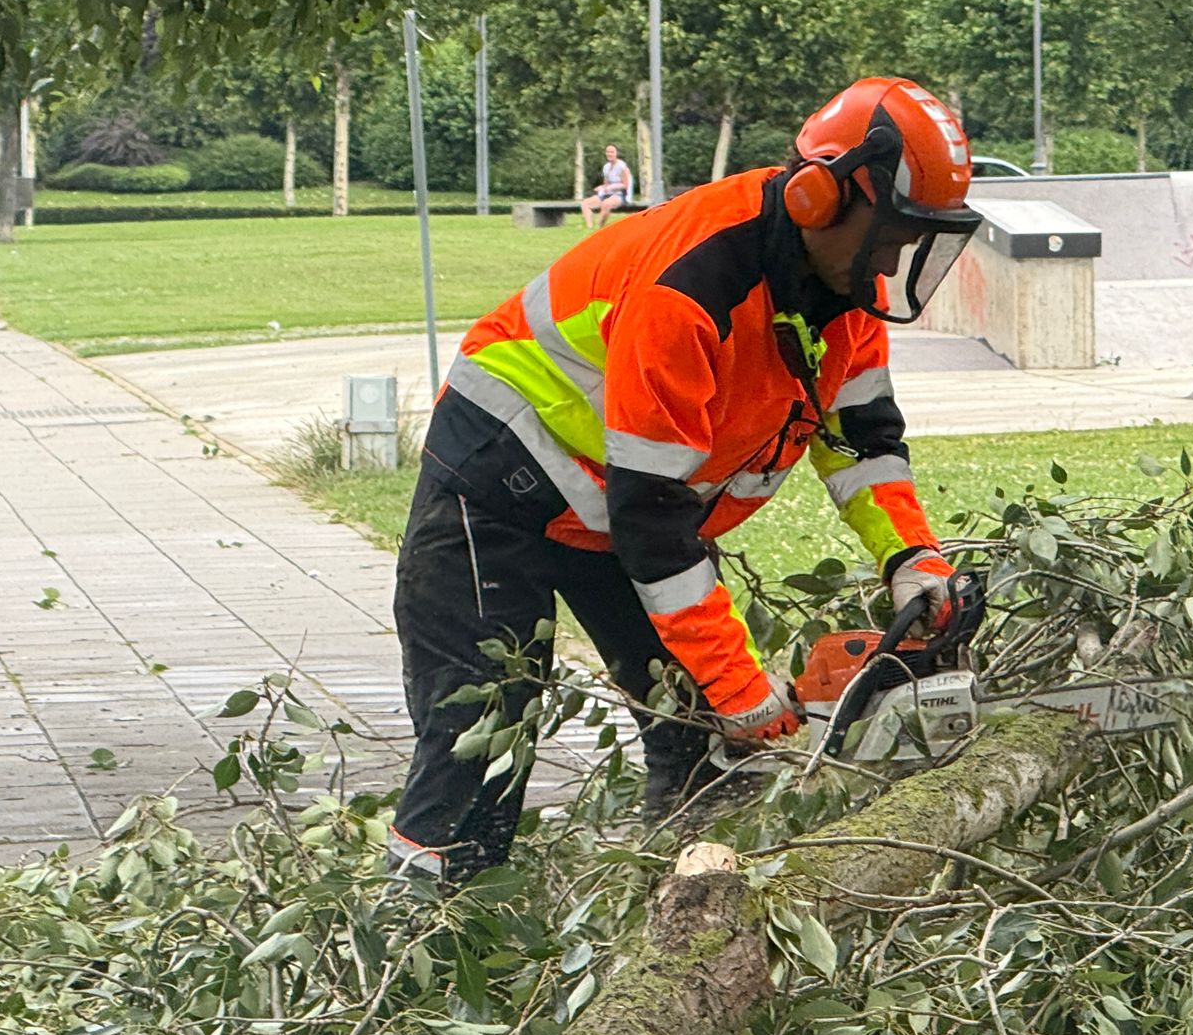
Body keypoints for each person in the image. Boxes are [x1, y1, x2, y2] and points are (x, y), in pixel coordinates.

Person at [389, 77, 984, 881]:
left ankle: (669, 922)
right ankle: (426, 928)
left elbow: (863, 440)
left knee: (697, 731)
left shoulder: (847, 297)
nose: (894, 258)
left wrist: (911, 557)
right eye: (890, 233)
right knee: (484, 723)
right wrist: (744, 690)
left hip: (622, 503)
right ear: (821, 196)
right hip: (498, 481)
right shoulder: (694, 285)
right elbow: (657, 521)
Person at [580, 144, 634, 228]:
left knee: (606, 204)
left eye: (612, 152)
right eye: (608, 152)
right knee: (585, 203)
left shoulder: (621, 166)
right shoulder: (606, 167)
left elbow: (625, 185)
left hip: (620, 194)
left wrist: (612, 187)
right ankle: (589, 228)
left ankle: (599, 228)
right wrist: (601, 187)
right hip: (607, 193)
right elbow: (606, 184)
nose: (609, 154)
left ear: (616, 153)